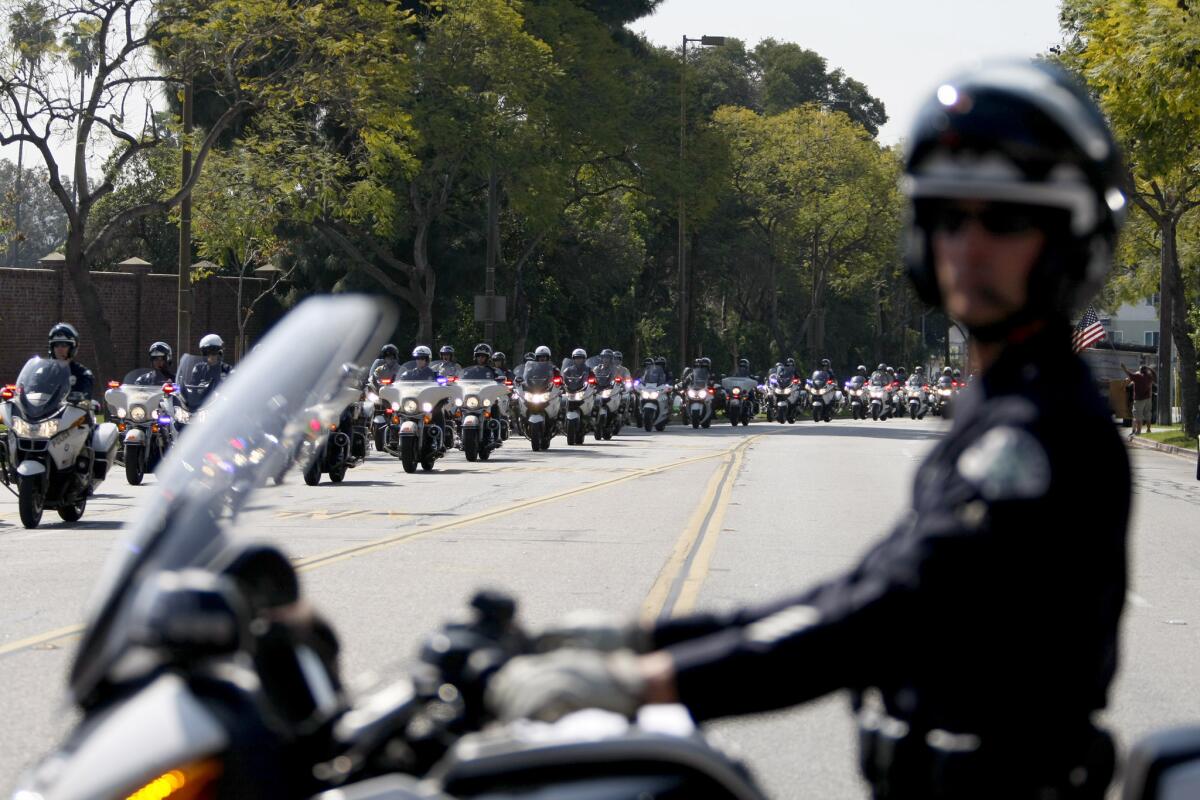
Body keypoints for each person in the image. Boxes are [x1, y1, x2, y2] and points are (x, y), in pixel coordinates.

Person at [488, 62, 1131, 800]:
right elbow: (858, 587)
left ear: (1071, 241)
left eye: (1006, 220)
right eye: (949, 217)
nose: (968, 247)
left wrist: (646, 682)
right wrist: (637, 641)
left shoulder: (1037, 432)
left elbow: (885, 616)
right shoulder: (998, 405)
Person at [47, 323, 94, 398]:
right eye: (56, 345)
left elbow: (85, 396)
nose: (59, 349)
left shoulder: (82, 373)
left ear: (72, 348)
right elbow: (32, 390)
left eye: (64, 345)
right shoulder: (45, 372)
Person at [1121, 362, 1156, 437]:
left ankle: (1138, 431)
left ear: (1140, 371)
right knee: (1147, 414)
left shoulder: (1137, 377)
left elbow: (1128, 373)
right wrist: (1148, 368)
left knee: (1137, 415)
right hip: (1148, 398)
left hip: (1139, 399)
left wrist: (1123, 367)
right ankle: (1148, 429)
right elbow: (1153, 373)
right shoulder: (1149, 377)